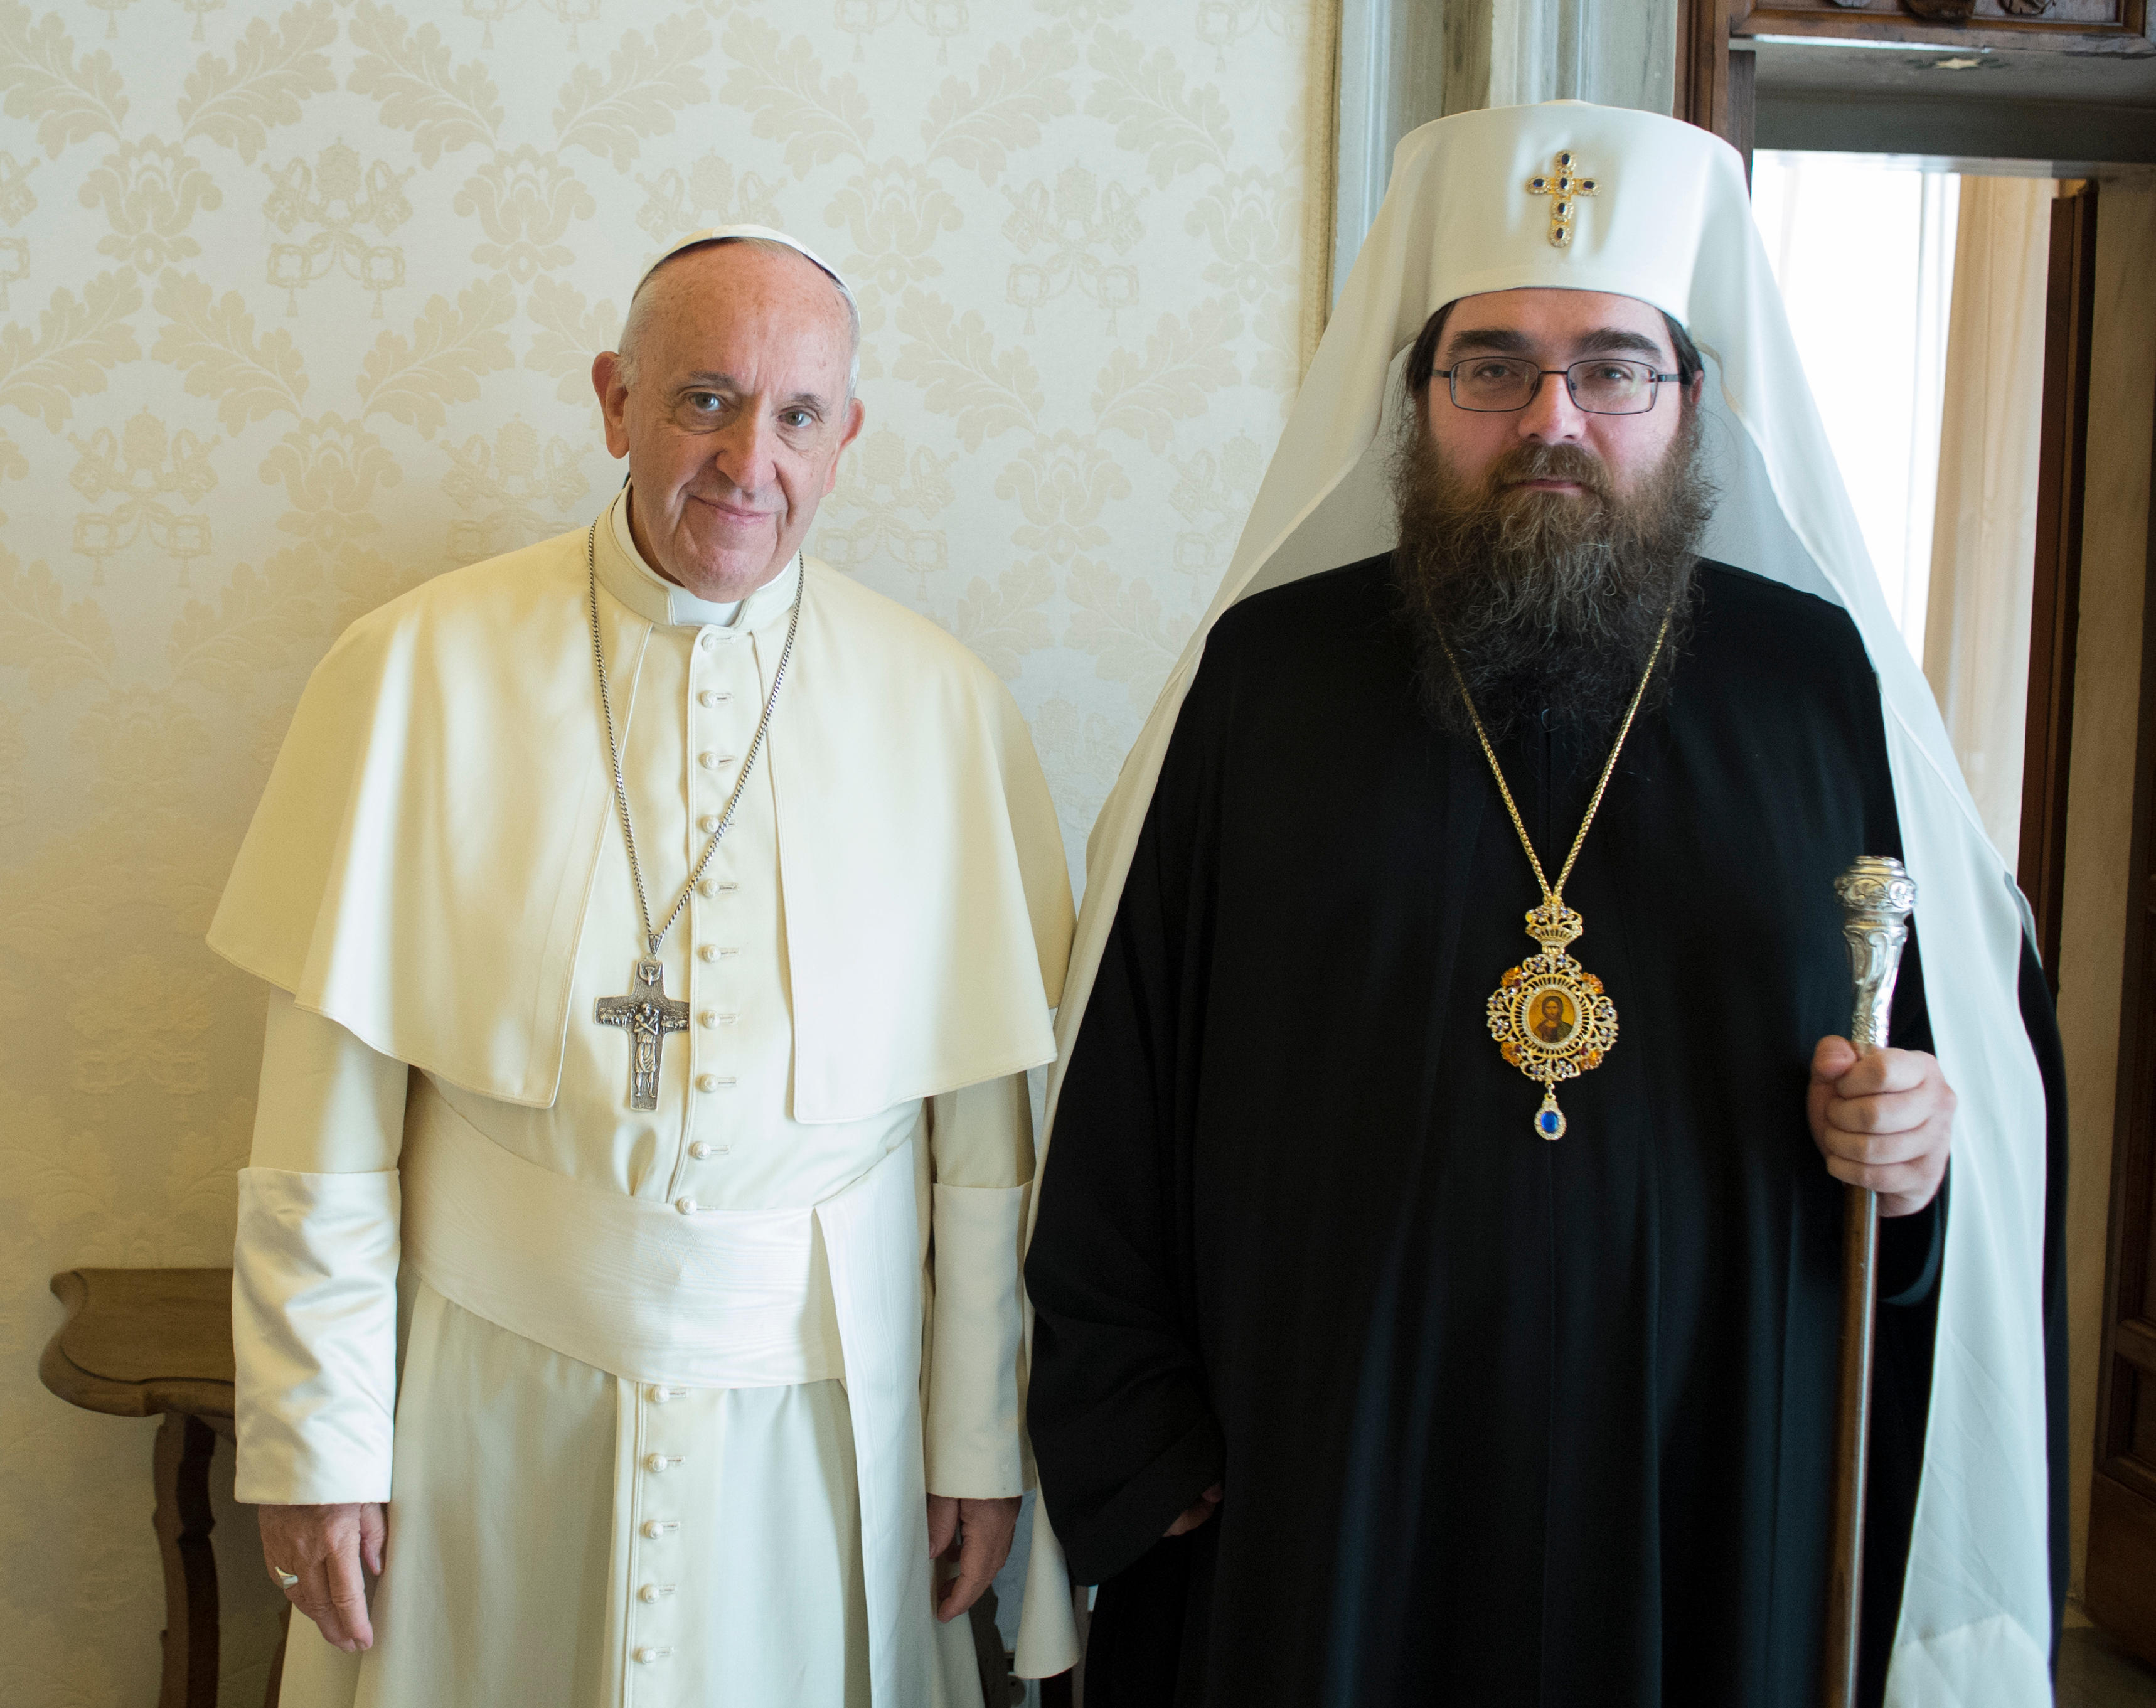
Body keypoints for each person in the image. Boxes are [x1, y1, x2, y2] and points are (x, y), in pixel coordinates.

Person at [1017, 105, 2064, 1707]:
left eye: (1612, 369)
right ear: (1415, 395)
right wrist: (1131, 1431)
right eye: (1490, 366)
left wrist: (1913, 1158)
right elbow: (1126, 1069)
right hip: (1330, 1490)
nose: (1549, 418)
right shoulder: (1268, 679)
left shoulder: (1810, 686)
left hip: (1702, 1480)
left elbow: (1918, 1106)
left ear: (1692, 400)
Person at [213, 225, 1074, 1707]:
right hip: (485, 1404)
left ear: (845, 436)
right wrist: (315, 1444)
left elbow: (982, 1144)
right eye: (704, 401)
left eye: (797, 416)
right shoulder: (414, 668)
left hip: (824, 1431)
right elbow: (323, 1118)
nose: (749, 462)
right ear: (615, 400)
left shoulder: (944, 708)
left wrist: (975, 1442)